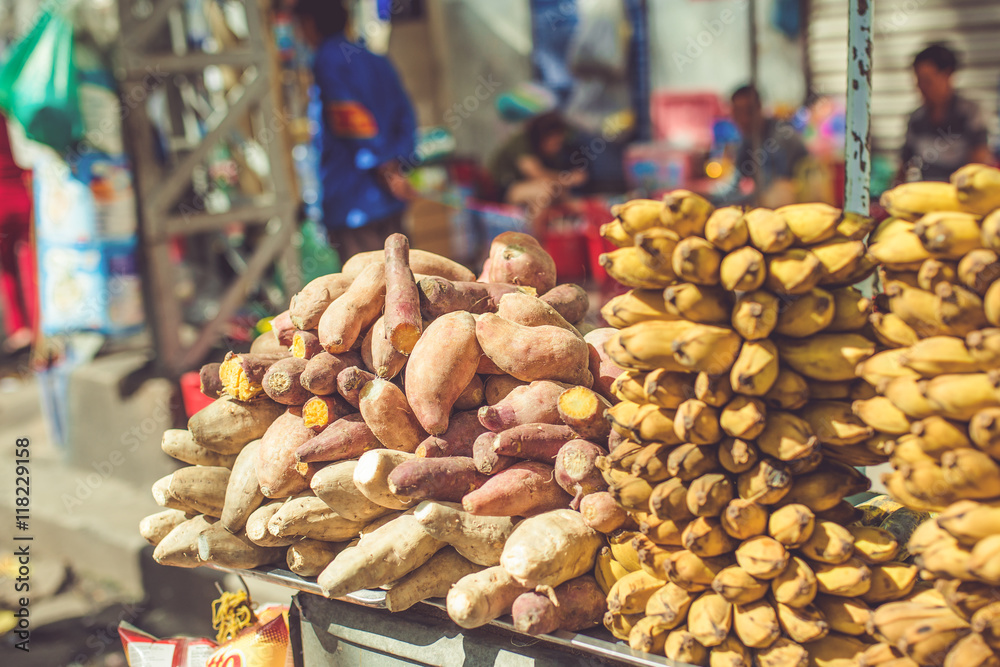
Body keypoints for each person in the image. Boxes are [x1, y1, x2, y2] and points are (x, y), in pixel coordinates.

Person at [293, 0, 417, 260]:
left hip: (355, 207)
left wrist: (383, 168)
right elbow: (406, 117)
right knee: (404, 279)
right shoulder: (375, 59)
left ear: (310, 23)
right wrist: (397, 166)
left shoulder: (327, 59)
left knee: (372, 292)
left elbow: (349, 118)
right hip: (389, 202)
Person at [899, 44, 992, 183]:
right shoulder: (916, 120)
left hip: (963, 195)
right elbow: (904, 166)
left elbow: (979, 164)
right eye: (918, 81)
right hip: (927, 195)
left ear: (948, 75)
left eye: (927, 81)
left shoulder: (970, 114)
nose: (921, 87)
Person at [488, 111, 588, 218]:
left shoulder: (552, 152)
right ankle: (535, 233)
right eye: (556, 143)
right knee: (545, 192)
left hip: (526, 188)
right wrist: (570, 178)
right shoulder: (522, 141)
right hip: (502, 192)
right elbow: (537, 174)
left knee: (557, 192)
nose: (559, 147)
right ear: (545, 137)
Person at [728, 85, 810, 207]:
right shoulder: (748, 139)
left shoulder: (780, 137)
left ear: (759, 108)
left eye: (748, 112)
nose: (743, 119)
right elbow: (737, 180)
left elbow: (777, 188)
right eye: (738, 113)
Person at [0, 114, 35, 353]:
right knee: (31, 258)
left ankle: (20, 328)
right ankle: (40, 324)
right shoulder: (12, 99)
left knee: (7, 266)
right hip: (24, 190)